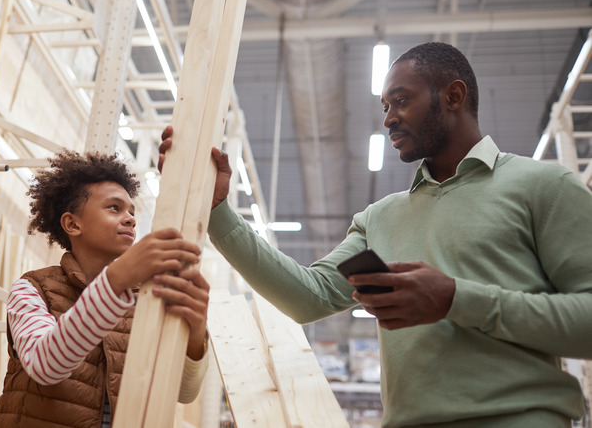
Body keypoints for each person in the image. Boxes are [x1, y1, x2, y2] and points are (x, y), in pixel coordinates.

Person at [159, 42, 592, 427]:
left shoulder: (544, 188)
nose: (388, 119)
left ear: (453, 96)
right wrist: (217, 211)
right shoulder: (379, 218)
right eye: (385, 106)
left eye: (400, 101)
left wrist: (456, 299)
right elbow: (307, 296)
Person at [0, 151, 210, 428]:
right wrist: (115, 280)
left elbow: (184, 393)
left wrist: (197, 334)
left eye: (132, 211)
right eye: (114, 208)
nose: (130, 219)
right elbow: (44, 366)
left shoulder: (145, 300)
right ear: (72, 224)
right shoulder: (32, 289)